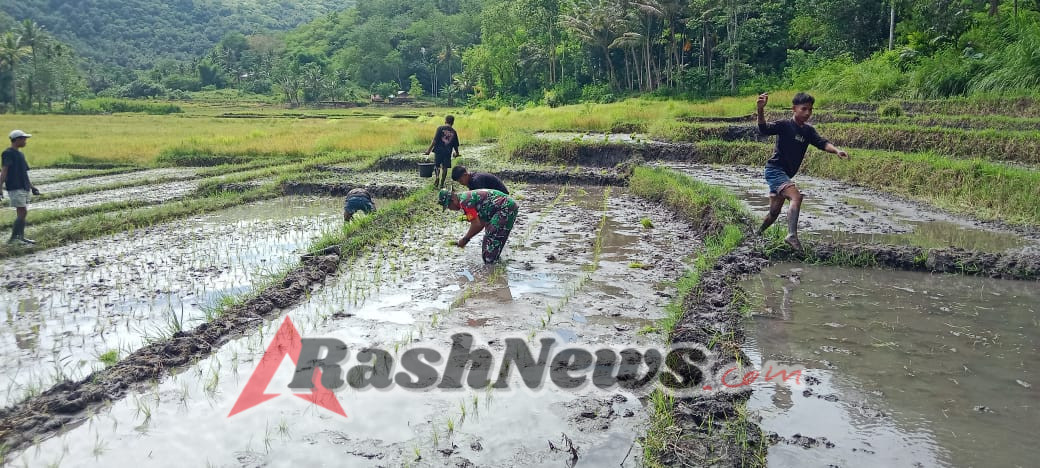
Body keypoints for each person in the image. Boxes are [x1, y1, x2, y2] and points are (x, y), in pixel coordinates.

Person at [755, 92, 849, 250]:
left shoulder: (808, 131)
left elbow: (822, 143)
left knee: (774, 213)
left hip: (785, 174)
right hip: (775, 170)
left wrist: (836, 151)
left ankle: (756, 234)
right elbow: (764, 129)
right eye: (804, 109)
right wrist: (760, 109)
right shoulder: (784, 125)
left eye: (810, 109)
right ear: (794, 109)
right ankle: (791, 235)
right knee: (796, 197)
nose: (807, 113)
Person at [438, 188, 518, 264]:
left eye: (448, 206)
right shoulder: (464, 198)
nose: (450, 209)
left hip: (505, 208)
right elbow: (480, 222)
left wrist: (465, 239)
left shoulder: (465, 202)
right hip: (506, 207)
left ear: (453, 200)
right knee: (491, 246)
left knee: (489, 249)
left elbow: (476, 224)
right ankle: (496, 266)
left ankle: (491, 269)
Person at [2, 130, 41, 245]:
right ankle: (14, 238)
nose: (25, 141)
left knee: (23, 213)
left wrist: (32, 187)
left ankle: (20, 237)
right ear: (17, 139)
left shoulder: (20, 154)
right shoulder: (7, 153)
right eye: (24, 139)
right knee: (22, 212)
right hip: (15, 187)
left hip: (24, 186)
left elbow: (24, 173)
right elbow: (4, 171)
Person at [424, 115, 460, 189]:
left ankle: (437, 177)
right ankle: (442, 183)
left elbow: (434, 141)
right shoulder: (454, 132)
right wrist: (457, 153)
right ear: (453, 122)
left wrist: (428, 150)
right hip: (447, 152)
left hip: (438, 150)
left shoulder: (440, 128)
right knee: (445, 167)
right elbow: (455, 145)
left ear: (445, 121)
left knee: (437, 165)